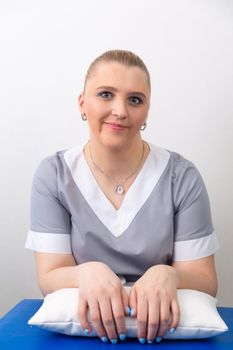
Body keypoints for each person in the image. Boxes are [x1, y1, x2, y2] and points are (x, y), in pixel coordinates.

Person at [25, 49, 219, 345]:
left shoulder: (181, 177)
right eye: (105, 94)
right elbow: (49, 275)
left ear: (147, 111)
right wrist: (86, 273)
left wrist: (168, 275)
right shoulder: (54, 175)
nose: (120, 111)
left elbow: (204, 280)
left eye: (135, 99)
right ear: (82, 103)